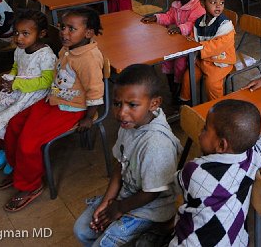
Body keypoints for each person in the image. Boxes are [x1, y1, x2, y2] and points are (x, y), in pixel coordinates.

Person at [1, 7, 105, 212]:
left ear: (88, 33)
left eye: (71, 29)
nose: (64, 33)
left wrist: (89, 118)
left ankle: (31, 186)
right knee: (13, 124)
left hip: (71, 110)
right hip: (54, 100)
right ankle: (19, 171)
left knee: (28, 142)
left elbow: (95, 93)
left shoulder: (89, 58)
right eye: (62, 27)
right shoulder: (68, 48)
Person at [74, 64, 181, 247]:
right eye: (117, 104)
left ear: (154, 103)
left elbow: (152, 193)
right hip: (128, 196)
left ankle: (159, 232)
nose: (121, 113)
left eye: (132, 105)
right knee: (82, 230)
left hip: (152, 208)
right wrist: (107, 202)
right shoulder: (130, 124)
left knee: (102, 244)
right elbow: (120, 164)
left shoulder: (156, 144)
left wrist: (119, 208)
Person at [172, 99, 261, 246]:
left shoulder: (194, 170)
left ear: (221, 145)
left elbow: (175, 184)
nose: (200, 132)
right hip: (236, 242)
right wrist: (248, 138)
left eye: (205, 128)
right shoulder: (252, 157)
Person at [0, 10, 56, 176]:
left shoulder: (46, 55)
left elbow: (46, 82)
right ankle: (4, 151)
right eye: (16, 33)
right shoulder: (20, 49)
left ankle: (12, 155)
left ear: (41, 34)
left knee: (11, 121)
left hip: (35, 95)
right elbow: (16, 67)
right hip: (18, 90)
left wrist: (17, 83)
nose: (19, 38)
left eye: (25, 33)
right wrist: (11, 78)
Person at [142, 0, 205, 101]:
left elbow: (193, 25)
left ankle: (180, 91)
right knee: (168, 61)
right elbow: (169, 17)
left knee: (180, 65)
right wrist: (156, 18)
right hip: (176, 41)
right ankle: (173, 88)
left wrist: (179, 28)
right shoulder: (177, 4)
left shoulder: (198, 7)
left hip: (190, 44)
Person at [180, 0, 236, 103]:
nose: (218, 6)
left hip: (220, 61)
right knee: (188, 76)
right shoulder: (199, 22)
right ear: (202, 4)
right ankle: (186, 101)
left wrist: (199, 48)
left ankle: (216, 106)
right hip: (202, 60)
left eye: (222, 2)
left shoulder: (225, 25)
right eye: (213, 2)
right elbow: (192, 38)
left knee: (212, 83)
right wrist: (192, 44)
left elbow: (220, 45)